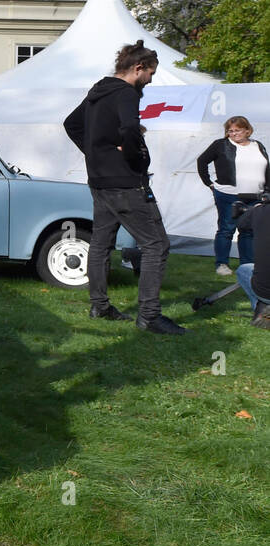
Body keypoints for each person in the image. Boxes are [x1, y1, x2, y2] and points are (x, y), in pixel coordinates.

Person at [64, 40, 183, 334]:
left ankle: (99, 306)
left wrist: (96, 153)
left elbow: (71, 124)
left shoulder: (98, 91)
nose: (150, 81)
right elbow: (129, 129)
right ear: (138, 68)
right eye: (151, 74)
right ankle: (150, 317)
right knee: (157, 244)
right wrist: (133, 157)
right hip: (125, 183)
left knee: (101, 244)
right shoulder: (126, 94)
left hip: (100, 182)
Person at [196, 115, 269, 276]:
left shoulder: (258, 145)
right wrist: (209, 183)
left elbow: (266, 167)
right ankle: (222, 263)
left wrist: (267, 190)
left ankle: (247, 264)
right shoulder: (220, 145)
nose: (234, 134)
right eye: (230, 131)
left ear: (247, 130)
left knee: (248, 230)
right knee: (226, 229)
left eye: (238, 130)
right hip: (228, 195)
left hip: (254, 195)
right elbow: (202, 161)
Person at [233, 197, 270, 329]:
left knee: (243, 270)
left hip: (265, 290)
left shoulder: (260, 211)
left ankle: (263, 312)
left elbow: (241, 224)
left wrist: (254, 209)